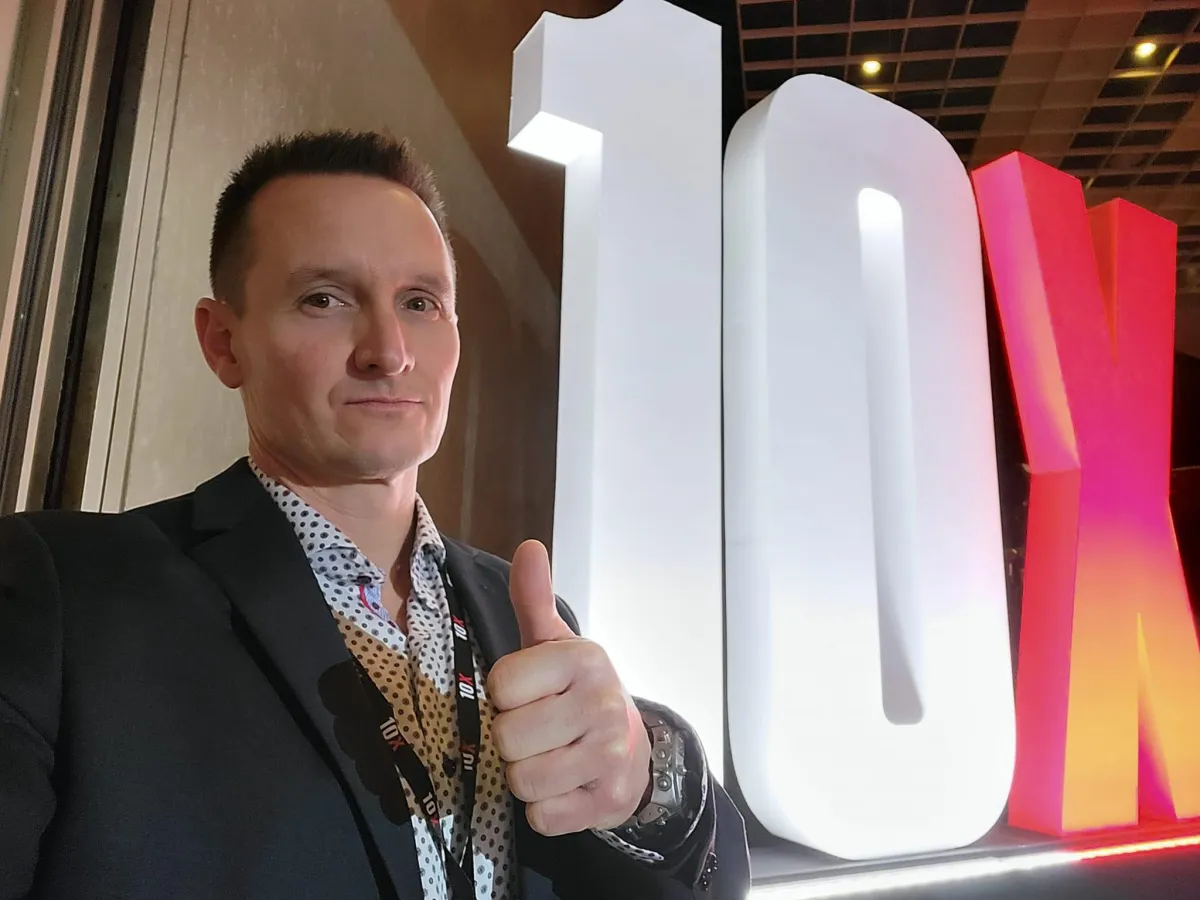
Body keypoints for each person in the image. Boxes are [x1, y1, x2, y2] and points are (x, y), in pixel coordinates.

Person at [0, 130, 749, 900]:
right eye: (324, 299)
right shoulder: (65, 593)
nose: (388, 351)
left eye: (421, 303)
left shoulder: (523, 617)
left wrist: (647, 778)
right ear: (224, 343)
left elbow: (709, 882)